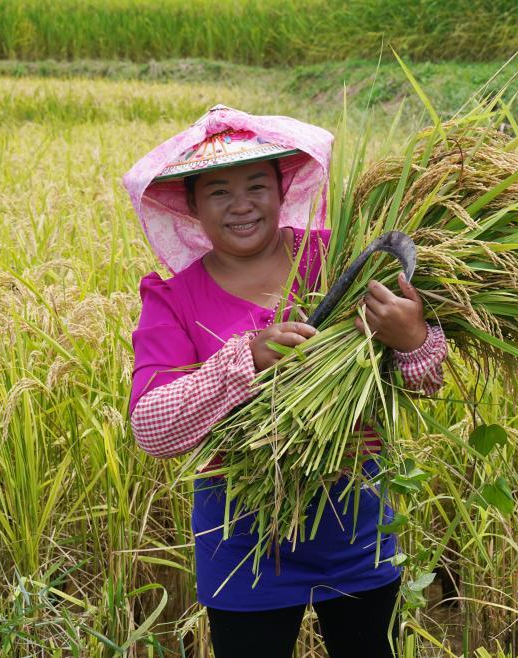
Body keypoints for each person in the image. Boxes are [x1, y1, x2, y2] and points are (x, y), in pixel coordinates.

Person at [123, 105, 448, 658]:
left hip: (357, 516)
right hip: (241, 535)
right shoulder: (172, 299)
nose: (242, 204)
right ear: (192, 206)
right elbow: (151, 428)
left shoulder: (337, 257)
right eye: (219, 192)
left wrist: (413, 337)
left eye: (257, 184)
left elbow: (426, 381)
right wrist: (246, 358)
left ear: (281, 189)